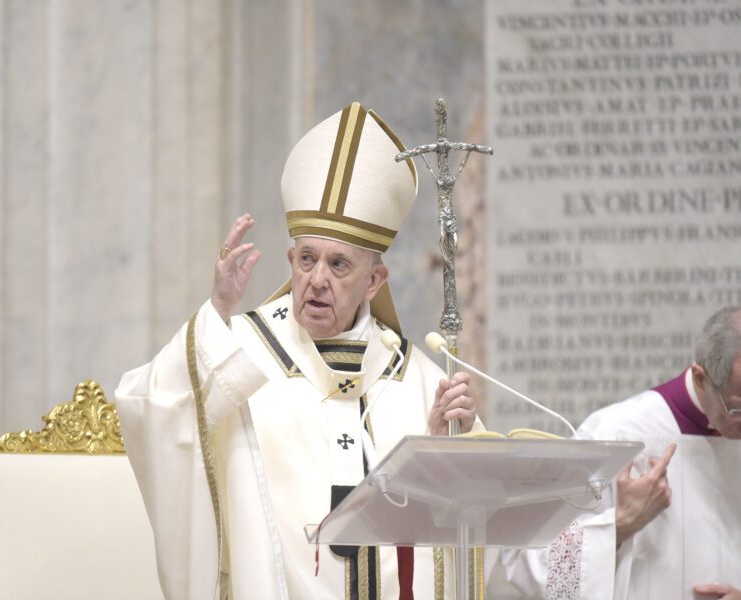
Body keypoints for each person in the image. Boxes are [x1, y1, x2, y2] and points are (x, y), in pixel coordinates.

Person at [115, 101, 482, 599]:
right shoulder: (235, 355)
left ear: (375, 281)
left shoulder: (415, 379)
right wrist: (217, 309)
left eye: (339, 265)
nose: (316, 281)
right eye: (306, 259)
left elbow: (471, 516)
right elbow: (154, 409)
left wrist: (440, 445)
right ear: (290, 259)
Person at [498, 306, 741, 599]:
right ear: (701, 378)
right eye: (736, 409)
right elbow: (531, 564)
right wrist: (620, 524)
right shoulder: (616, 434)